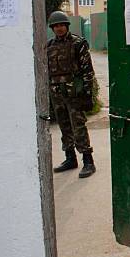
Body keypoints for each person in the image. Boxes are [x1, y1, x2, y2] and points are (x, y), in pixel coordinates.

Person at [47, 11, 96, 178]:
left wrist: (88, 94)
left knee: (78, 127)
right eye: (56, 26)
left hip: (74, 93)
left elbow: (88, 71)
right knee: (64, 126)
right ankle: (70, 158)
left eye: (61, 25)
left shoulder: (78, 43)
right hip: (57, 94)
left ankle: (88, 161)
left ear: (66, 26)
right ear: (52, 28)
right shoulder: (49, 46)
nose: (59, 28)